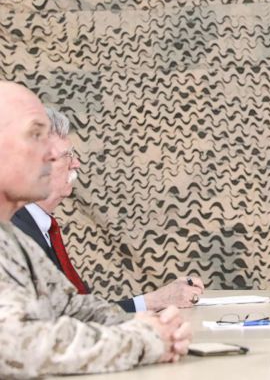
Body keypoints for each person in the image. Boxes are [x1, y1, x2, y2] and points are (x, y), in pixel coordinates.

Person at [0, 81, 191, 377]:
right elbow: (16, 346)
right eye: (35, 135)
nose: (52, 155)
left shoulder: (11, 237)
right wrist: (144, 340)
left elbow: (69, 306)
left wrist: (144, 326)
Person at [12, 107, 205, 312]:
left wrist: (156, 300)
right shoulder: (16, 234)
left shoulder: (35, 225)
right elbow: (60, 324)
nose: (76, 163)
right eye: (68, 155)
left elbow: (78, 312)